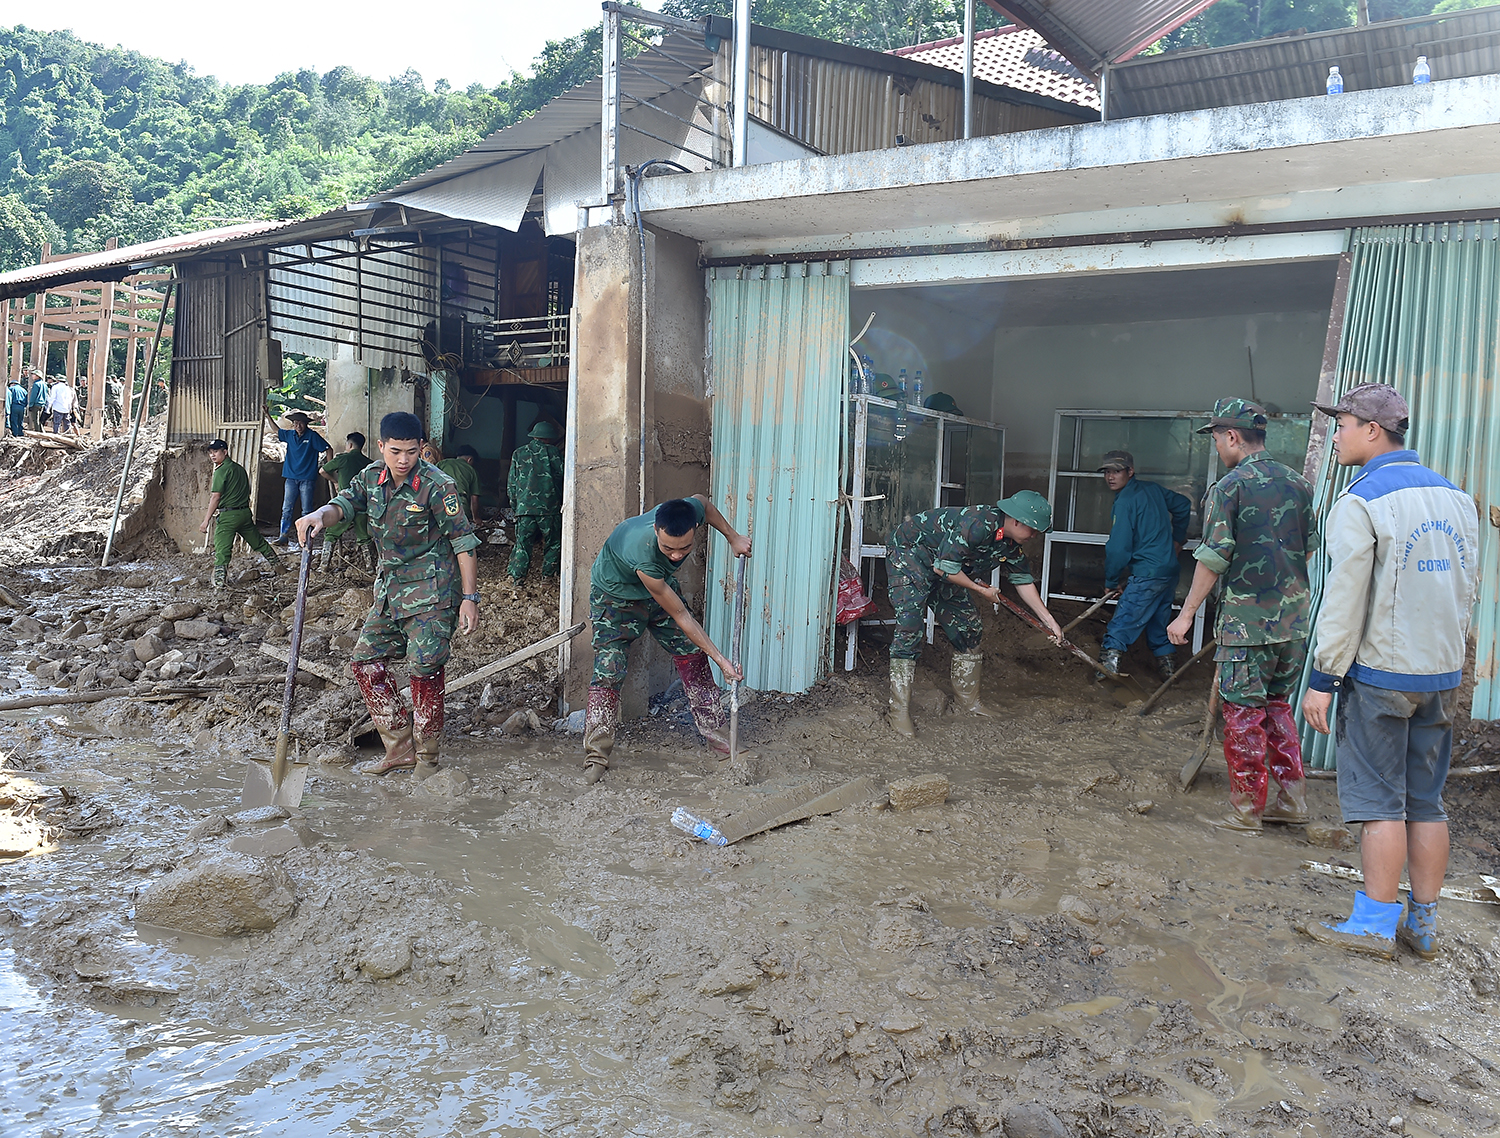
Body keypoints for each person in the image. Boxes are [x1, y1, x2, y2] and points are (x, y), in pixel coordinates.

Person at [1301, 385, 1479, 960]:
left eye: (1343, 426)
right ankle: (1423, 926)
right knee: (1426, 801)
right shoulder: (1456, 498)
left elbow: (1344, 598)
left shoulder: (1361, 501)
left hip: (1382, 676)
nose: (1337, 437)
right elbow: (1463, 592)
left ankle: (1373, 925)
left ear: (1372, 430)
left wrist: (1325, 678)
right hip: (1441, 675)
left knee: (1380, 803)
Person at [295, 412, 479, 780]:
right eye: (395, 451)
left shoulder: (437, 485)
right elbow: (342, 507)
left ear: (421, 448)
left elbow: (464, 542)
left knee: (425, 672)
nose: (403, 460)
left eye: (412, 451)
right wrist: (318, 514)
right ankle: (399, 748)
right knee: (364, 663)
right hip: (390, 592)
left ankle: (427, 760)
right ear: (381, 447)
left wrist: (470, 599)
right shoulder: (369, 478)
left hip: (433, 593)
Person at [1167, 398, 1317, 832]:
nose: (1217, 447)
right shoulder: (1298, 483)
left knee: (1243, 715)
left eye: (1216, 438)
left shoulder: (1229, 487)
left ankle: (1246, 810)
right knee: (1277, 708)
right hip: (1292, 625)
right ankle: (1292, 801)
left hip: (1246, 627)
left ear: (1231, 436)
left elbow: (1213, 557)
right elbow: (1308, 549)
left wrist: (1186, 614)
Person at [583, 495, 751, 784]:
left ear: (693, 529)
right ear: (657, 533)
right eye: (668, 548)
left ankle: (724, 745)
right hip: (615, 598)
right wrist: (721, 659)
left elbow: (704, 504)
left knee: (692, 657)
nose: (676, 555)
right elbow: (682, 617)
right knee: (609, 670)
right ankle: (596, 757)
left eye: (684, 548)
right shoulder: (642, 551)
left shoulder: (690, 511)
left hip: (658, 588)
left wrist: (733, 537)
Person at [884, 490, 1064, 737]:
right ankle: (899, 711)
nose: (1034, 536)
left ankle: (969, 702)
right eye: (1033, 529)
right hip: (911, 555)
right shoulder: (978, 523)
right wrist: (980, 590)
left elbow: (1022, 581)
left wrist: (1050, 621)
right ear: (1016, 520)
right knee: (910, 625)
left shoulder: (1011, 543)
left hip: (949, 566)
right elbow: (943, 568)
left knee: (968, 628)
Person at [1097, 450, 1191, 681]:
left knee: (1121, 626)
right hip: (1167, 572)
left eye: (1116, 471)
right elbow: (1183, 504)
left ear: (1130, 471)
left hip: (1147, 574)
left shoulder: (1126, 502)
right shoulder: (1152, 490)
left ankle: (1105, 679)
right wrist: (1177, 541)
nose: (1110, 476)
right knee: (1158, 626)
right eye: (1107, 472)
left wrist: (1110, 581)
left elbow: (1118, 549)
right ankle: (1170, 676)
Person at [200, 439, 284, 589]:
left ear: (224, 452)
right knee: (259, 543)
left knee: (222, 550)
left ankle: (219, 584)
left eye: (216, 452)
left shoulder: (221, 471)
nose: (212, 455)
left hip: (228, 516)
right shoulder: (239, 469)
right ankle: (279, 567)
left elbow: (216, 497)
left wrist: (206, 520)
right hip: (244, 513)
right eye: (210, 453)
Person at [508, 421, 564, 582]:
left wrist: (515, 506)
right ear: (549, 438)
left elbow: (512, 483)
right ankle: (548, 578)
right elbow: (561, 479)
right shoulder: (554, 453)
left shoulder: (518, 453)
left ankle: (517, 579)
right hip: (549, 509)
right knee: (553, 543)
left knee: (522, 545)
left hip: (524, 509)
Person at [266, 406, 329, 548]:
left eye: (300, 423)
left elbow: (327, 448)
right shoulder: (290, 435)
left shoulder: (312, 436)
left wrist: (328, 467)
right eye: (295, 423)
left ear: (306, 424)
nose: (298, 426)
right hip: (290, 478)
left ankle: (307, 538)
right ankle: (283, 536)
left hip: (307, 478)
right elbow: (276, 430)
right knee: (286, 508)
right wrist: (267, 415)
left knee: (306, 510)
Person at [318, 432, 373, 571]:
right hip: (362, 504)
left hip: (344, 503)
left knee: (331, 534)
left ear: (349, 445)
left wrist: (335, 481)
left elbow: (322, 471)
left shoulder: (342, 459)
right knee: (364, 537)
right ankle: (370, 567)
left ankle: (323, 566)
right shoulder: (369, 463)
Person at [437, 444, 481, 522]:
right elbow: (474, 499)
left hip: (439, 503)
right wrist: (475, 518)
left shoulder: (442, 463)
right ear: (470, 459)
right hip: (460, 505)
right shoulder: (472, 471)